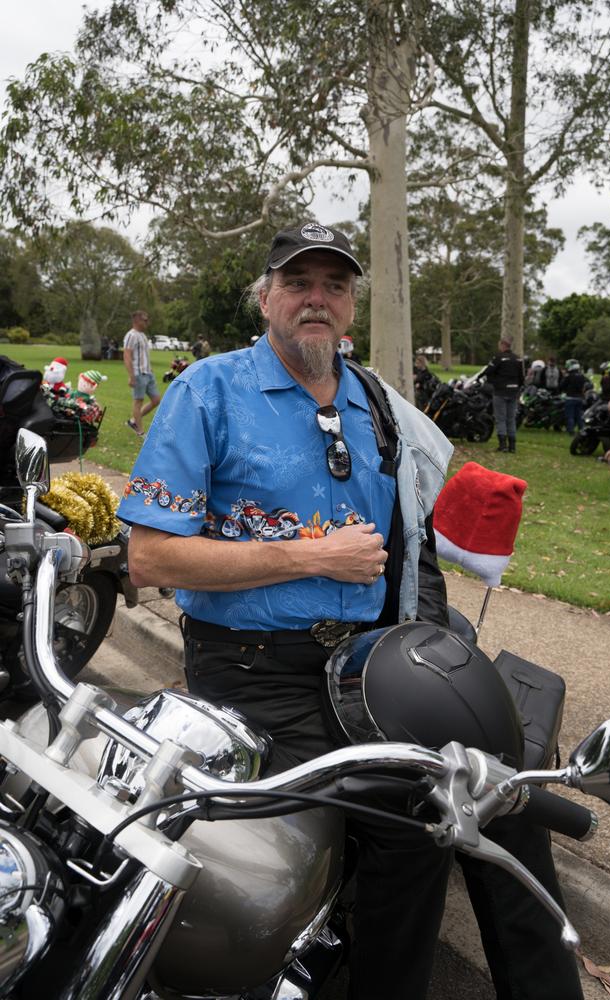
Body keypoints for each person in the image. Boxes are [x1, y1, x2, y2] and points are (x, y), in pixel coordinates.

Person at [118, 223, 583, 1000]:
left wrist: (472, 526)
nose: (316, 299)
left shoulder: (378, 404)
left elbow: (417, 536)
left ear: (350, 307)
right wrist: (308, 555)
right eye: (298, 283)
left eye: (334, 286)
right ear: (266, 298)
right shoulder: (209, 390)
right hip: (255, 668)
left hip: (373, 661)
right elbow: (150, 558)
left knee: (497, 790)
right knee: (409, 821)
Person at [122, 309, 161, 436]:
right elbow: (127, 356)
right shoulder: (131, 335)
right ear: (137, 320)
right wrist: (131, 376)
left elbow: (143, 355)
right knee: (138, 401)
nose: (147, 322)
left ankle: (133, 421)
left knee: (156, 400)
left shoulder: (143, 335)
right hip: (138, 374)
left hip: (148, 373)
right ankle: (140, 431)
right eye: (145, 320)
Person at [484, 336, 525, 452]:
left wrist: (493, 382)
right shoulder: (517, 359)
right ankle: (512, 446)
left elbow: (488, 371)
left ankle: (503, 445)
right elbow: (522, 377)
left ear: (502, 345)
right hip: (513, 392)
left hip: (500, 392)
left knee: (500, 418)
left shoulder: (498, 358)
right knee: (511, 419)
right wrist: (518, 388)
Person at [559, 360, 589, 434]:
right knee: (579, 416)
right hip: (580, 398)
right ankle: (582, 430)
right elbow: (588, 384)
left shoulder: (569, 376)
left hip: (570, 398)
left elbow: (561, 386)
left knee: (570, 416)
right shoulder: (582, 376)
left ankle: (571, 431)